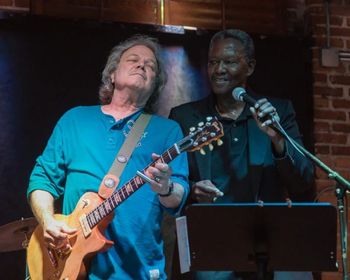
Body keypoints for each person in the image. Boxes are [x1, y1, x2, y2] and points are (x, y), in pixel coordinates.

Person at [27, 34, 189, 280]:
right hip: (70, 264)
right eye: (133, 59)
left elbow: (178, 199)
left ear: (156, 84)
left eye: (151, 66)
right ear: (112, 74)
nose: (142, 65)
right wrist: (48, 221)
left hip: (137, 270)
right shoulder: (75, 120)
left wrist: (166, 188)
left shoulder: (168, 131)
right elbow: (41, 180)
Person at [169, 29, 315, 279]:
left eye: (229, 61)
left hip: (265, 249)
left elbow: (303, 183)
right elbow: (170, 184)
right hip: (207, 251)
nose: (219, 69)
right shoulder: (184, 117)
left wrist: (276, 138)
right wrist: (193, 190)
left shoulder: (277, 112)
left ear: (250, 66)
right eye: (213, 62)